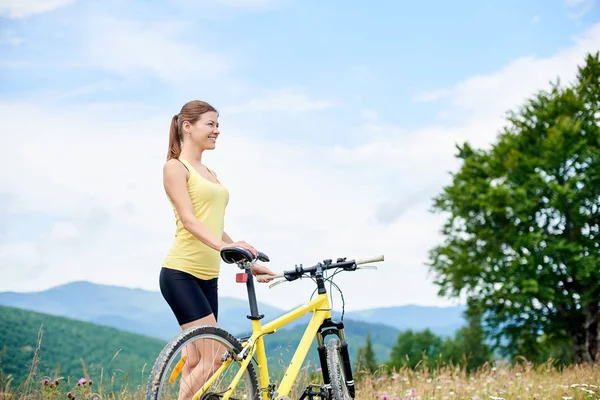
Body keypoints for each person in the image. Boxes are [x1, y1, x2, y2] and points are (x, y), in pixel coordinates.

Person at [159, 100, 275, 398]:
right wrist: (225, 247)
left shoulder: (209, 171)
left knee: (197, 360)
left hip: (208, 277)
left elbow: (212, 224)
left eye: (217, 125)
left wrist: (242, 256)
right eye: (210, 124)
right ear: (188, 126)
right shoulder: (175, 167)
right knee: (214, 359)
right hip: (181, 273)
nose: (217, 131)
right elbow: (189, 221)